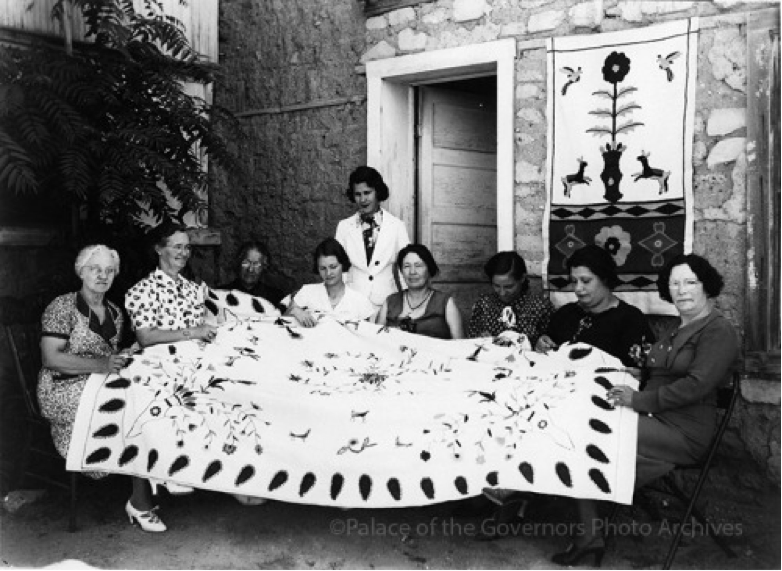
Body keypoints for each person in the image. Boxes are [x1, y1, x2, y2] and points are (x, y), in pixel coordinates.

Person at [550, 253, 740, 567]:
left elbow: (696, 385)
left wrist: (636, 400)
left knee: (583, 436)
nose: (681, 290)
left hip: (683, 432)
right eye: (674, 283)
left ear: (707, 286)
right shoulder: (681, 328)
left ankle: (589, 534)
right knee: (578, 427)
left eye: (690, 282)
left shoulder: (717, 330)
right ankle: (591, 530)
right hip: (655, 420)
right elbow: (663, 371)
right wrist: (643, 376)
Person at [37, 245, 166, 532]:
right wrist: (103, 364)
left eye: (109, 270)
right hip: (60, 389)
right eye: (95, 269)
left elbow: (108, 356)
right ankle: (142, 499)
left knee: (145, 398)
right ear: (81, 271)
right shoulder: (63, 306)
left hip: (96, 384)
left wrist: (126, 353)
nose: (102, 275)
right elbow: (51, 358)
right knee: (132, 408)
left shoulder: (115, 313)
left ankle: (148, 487)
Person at [535, 244, 654, 368]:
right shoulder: (565, 314)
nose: (578, 288)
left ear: (605, 278)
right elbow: (547, 352)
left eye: (586, 281)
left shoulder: (630, 320)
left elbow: (643, 372)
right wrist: (542, 345)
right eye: (574, 281)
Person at [125, 222, 217, 348]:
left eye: (187, 247)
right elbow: (145, 337)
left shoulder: (195, 289)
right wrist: (194, 332)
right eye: (178, 247)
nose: (184, 253)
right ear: (159, 249)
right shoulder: (142, 291)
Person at [335, 166, 410, 310]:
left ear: (378, 192)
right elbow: (340, 268)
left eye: (367, 193)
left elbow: (405, 267)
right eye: (357, 194)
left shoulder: (397, 226)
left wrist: (406, 304)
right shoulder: (344, 227)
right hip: (353, 302)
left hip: (386, 303)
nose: (362, 199)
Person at [377, 244, 464, 340]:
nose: (412, 272)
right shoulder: (390, 302)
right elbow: (375, 342)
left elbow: (459, 346)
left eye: (418, 266)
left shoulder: (445, 303)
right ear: (401, 271)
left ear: (429, 269)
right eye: (407, 266)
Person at [467, 251, 554, 346]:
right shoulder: (484, 304)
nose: (502, 293)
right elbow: (472, 339)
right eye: (496, 286)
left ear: (522, 278)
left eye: (509, 287)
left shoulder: (541, 307)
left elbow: (551, 343)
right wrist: (481, 339)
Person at [285, 238, 376, 327]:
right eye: (323, 268)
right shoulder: (307, 292)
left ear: (342, 265)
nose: (328, 273)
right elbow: (281, 322)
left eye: (333, 267)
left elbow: (367, 336)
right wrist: (295, 311)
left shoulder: (360, 301)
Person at [218, 240, 289, 308]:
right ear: (239, 263)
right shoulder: (221, 294)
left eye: (256, 264)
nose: (250, 269)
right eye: (246, 263)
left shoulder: (275, 297)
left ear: (264, 266)